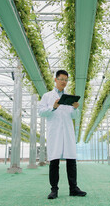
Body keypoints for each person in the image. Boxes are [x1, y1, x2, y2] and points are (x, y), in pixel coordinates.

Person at [38, 70, 87, 200]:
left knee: (71, 160)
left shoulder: (69, 97)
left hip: (67, 131)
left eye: (66, 80)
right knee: (54, 161)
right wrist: (53, 107)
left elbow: (74, 116)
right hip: (55, 132)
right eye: (61, 79)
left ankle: (73, 188)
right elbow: (41, 112)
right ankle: (54, 190)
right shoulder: (47, 96)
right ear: (55, 80)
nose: (64, 82)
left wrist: (76, 108)